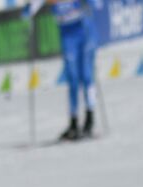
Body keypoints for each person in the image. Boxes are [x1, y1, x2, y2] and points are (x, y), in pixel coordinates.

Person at [26, 0, 102, 141]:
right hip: (67, 36)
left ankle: (90, 119)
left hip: (84, 31)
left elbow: (98, 4)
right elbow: (30, 9)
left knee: (86, 76)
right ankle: (73, 123)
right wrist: (28, 12)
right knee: (72, 79)